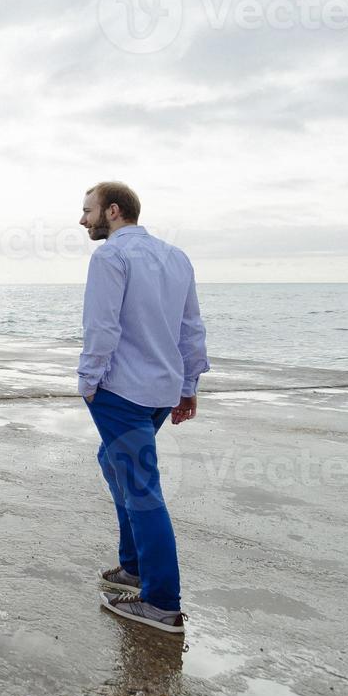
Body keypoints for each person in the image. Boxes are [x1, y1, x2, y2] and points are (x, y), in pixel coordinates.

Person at [78, 182, 209, 634]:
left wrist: (88, 382)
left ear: (112, 212)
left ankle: (160, 601)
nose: (82, 220)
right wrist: (188, 385)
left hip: (122, 392)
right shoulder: (176, 257)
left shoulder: (109, 256)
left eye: (88, 211)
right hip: (160, 391)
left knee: (140, 486)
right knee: (112, 463)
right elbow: (191, 328)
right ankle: (133, 567)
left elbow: (101, 327)